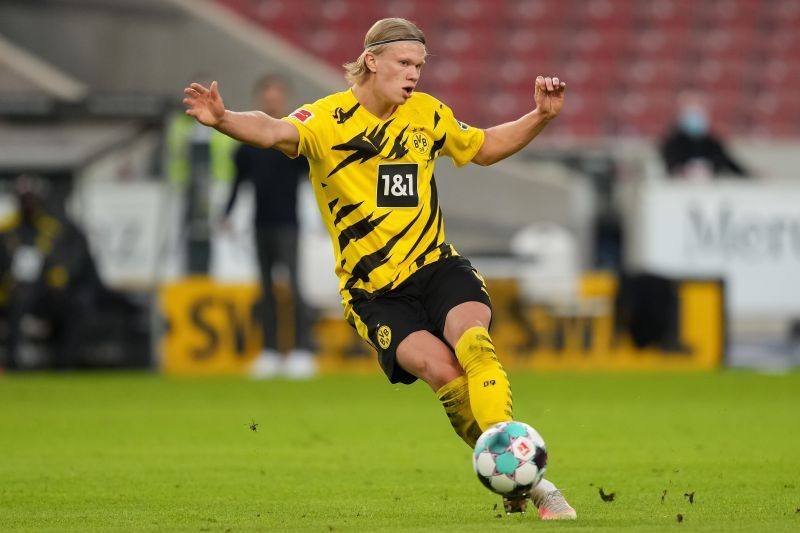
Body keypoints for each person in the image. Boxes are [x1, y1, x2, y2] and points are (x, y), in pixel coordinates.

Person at [183, 18, 575, 520]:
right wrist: (224, 119)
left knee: (474, 342)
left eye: (419, 66)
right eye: (404, 64)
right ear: (372, 61)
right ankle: (527, 481)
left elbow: (484, 147)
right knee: (445, 375)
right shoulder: (328, 119)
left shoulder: (427, 115)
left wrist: (540, 116)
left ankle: (524, 473)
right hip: (374, 295)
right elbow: (275, 130)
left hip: (436, 267)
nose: (414, 75)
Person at [221, 74, 315, 379]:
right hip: (260, 224)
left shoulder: (294, 138)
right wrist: (227, 213)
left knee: (295, 289)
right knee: (265, 291)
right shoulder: (248, 143)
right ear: (260, 98)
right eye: (268, 94)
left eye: (278, 94)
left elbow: (315, 177)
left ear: (284, 98)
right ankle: (270, 351)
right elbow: (238, 182)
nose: (273, 99)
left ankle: (302, 351)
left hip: (290, 224)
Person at [660, 91, 750, 179]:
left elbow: (727, 163)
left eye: (698, 112)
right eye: (691, 111)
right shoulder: (671, 143)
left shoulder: (712, 143)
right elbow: (670, 167)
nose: (695, 116)